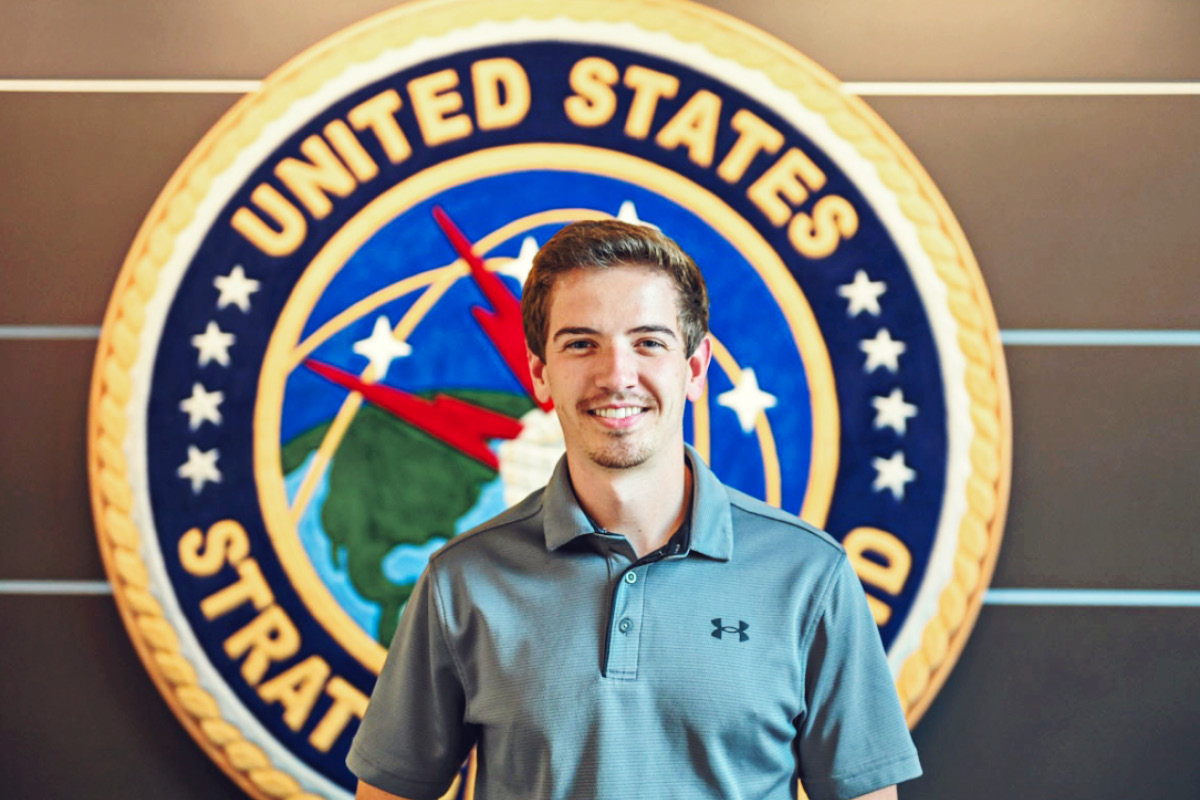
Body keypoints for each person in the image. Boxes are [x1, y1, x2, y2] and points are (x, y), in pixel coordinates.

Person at [347, 220, 922, 800]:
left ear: (694, 369)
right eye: (580, 344)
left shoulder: (809, 576)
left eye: (648, 342)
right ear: (540, 374)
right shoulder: (462, 581)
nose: (616, 376)